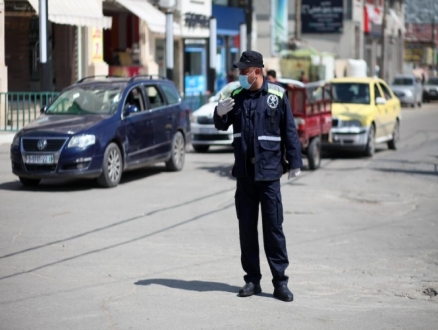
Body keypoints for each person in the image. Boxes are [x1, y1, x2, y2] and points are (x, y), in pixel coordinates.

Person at [214, 50, 302, 302]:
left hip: (270, 173)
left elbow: (289, 131)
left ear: (258, 71)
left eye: (245, 71)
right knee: (247, 230)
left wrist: (295, 161)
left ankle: (280, 283)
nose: (241, 76)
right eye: (239, 72)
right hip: (245, 174)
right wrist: (219, 112)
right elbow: (221, 124)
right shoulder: (237, 96)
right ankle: (252, 280)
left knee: (273, 229)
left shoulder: (276, 95)